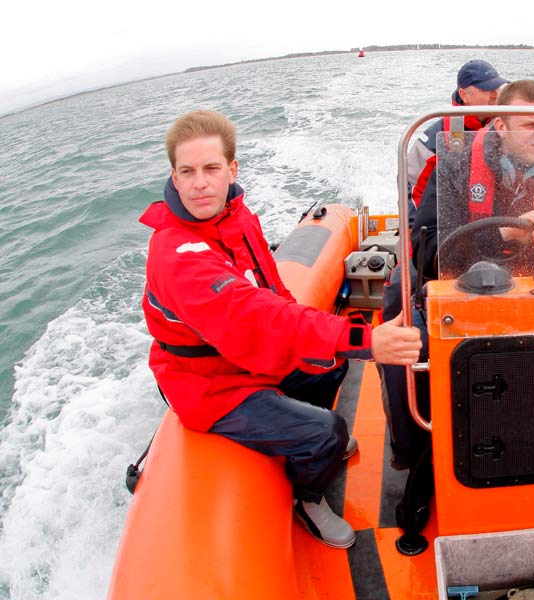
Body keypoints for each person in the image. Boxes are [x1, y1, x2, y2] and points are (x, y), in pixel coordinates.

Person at [140, 110, 422, 549]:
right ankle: (308, 499)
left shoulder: (238, 216)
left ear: (231, 170)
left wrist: (329, 346)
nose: (200, 183)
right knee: (326, 431)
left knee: (328, 367)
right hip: (212, 386)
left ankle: (295, 430)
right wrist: (367, 340)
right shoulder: (178, 257)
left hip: (248, 359)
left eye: (211, 169)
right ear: (174, 179)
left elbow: (272, 291)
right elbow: (258, 316)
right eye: (187, 172)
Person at [381, 79, 534, 474]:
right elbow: (427, 252)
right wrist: (506, 230)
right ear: (500, 126)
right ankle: (412, 448)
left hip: (528, 295)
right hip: (462, 297)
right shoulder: (454, 168)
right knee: (402, 321)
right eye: (530, 125)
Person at [405, 59, 508, 224]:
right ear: (464, 95)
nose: (494, 94)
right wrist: (416, 228)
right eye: (487, 88)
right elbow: (409, 184)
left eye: (496, 87)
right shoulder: (435, 138)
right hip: (448, 226)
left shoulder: (505, 129)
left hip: (494, 226)